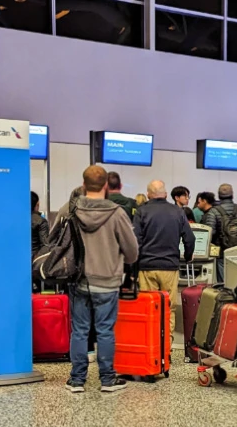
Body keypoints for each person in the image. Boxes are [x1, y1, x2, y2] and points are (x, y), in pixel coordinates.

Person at [54, 165, 139, 394]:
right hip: (108, 281)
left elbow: (54, 237)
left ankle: (77, 380)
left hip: (79, 279)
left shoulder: (69, 209)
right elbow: (132, 252)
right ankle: (107, 380)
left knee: (79, 330)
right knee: (105, 331)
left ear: (83, 185)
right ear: (105, 186)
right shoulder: (116, 213)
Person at [134, 180, 195, 346]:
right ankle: (165, 350)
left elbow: (135, 240)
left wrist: (136, 264)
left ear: (148, 195)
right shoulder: (177, 211)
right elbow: (190, 238)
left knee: (149, 308)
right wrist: (188, 256)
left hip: (147, 268)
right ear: (166, 194)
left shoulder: (142, 211)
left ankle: (151, 348)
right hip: (169, 267)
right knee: (168, 308)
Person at [203, 183, 237, 283]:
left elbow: (210, 233)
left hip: (222, 252)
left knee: (224, 283)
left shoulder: (214, 212)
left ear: (219, 196)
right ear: (232, 194)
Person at [31, 191, 50, 292]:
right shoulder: (40, 221)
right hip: (35, 263)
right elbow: (45, 244)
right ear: (37, 204)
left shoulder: (17, 219)